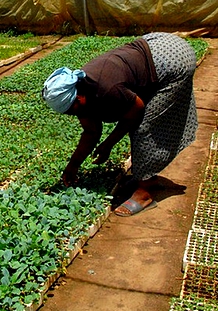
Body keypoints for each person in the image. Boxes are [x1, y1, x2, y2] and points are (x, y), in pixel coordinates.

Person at [42, 32, 198, 216]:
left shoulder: (107, 88)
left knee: (143, 126)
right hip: (155, 47)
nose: (73, 115)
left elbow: (136, 110)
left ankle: (145, 192)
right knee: (139, 122)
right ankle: (146, 175)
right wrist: (72, 166)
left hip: (174, 59)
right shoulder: (80, 89)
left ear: (79, 98)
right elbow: (91, 131)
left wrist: (108, 144)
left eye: (71, 110)